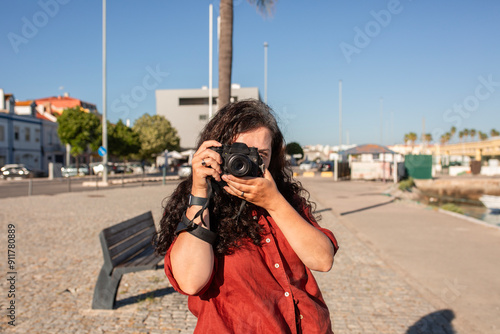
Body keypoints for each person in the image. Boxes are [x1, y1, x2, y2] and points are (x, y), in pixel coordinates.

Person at [155, 99, 339, 333]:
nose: (249, 162)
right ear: (215, 150)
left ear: (274, 156)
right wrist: (200, 191)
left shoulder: (285, 199)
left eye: (261, 154)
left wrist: (274, 203)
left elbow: (323, 260)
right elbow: (191, 281)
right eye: (239, 152)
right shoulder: (198, 205)